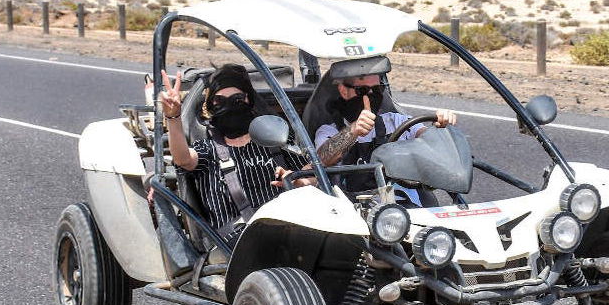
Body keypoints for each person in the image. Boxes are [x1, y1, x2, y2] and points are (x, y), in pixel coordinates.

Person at [156, 64, 305, 239]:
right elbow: (183, 159)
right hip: (233, 245)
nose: (230, 107)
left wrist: (298, 181)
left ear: (249, 100)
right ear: (210, 106)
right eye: (220, 101)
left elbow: (310, 172)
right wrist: (173, 118)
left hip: (288, 233)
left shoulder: (275, 140)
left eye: (237, 99)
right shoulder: (207, 149)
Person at [314, 71, 457, 196]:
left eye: (377, 89)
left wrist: (440, 126)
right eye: (363, 90)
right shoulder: (329, 131)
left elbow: (428, 139)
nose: (371, 96)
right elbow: (320, 160)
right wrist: (353, 131)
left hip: (407, 207)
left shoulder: (396, 121)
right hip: (359, 212)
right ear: (344, 91)